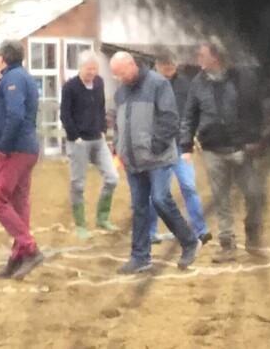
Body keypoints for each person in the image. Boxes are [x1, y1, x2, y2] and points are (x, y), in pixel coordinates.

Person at [109, 51, 199, 274]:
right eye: (115, 76)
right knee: (139, 207)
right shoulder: (121, 92)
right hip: (132, 160)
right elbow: (120, 125)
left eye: (121, 73)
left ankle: (189, 241)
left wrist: (155, 146)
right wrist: (118, 146)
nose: (119, 79)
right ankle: (140, 257)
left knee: (160, 199)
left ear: (132, 65)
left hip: (157, 157)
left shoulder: (158, 84)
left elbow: (170, 118)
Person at [181, 39, 266, 262]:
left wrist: (255, 138)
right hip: (212, 150)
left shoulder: (241, 79)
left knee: (254, 194)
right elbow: (189, 116)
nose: (199, 59)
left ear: (215, 57)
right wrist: (186, 145)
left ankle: (253, 239)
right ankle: (227, 245)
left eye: (202, 55)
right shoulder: (198, 83)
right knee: (221, 199)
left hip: (241, 148)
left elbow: (255, 111)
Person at [0, 39, 45, 280]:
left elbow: (16, 114)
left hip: (16, 150)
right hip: (26, 148)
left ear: (3, 58)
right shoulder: (22, 77)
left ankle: (29, 248)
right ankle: (17, 257)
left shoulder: (13, 79)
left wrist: (4, 147)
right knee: (19, 204)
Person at [148, 50, 211, 246]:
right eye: (165, 64)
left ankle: (201, 230)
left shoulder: (185, 84)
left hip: (180, 146)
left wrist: (191, 139)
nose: (169, 67)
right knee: (156, 194)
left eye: (172, 63)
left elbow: (192, 111)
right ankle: (150, 232)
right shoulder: (147, 85)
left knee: (189, 187)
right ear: (157, 65)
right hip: (157, 148)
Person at [60, 50, 119, 239]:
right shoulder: (70, 87)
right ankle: (80, 224)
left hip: (98, 139)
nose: (92, 72)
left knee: (112, 177)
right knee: (78, 183)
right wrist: (74, 136)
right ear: (81, 68)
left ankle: (102, 217)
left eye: (94, 69)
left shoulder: (99, 83)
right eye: (89, 69)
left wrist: (102, 129)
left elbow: (101, 106)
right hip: (79, 142)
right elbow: (65, 114)